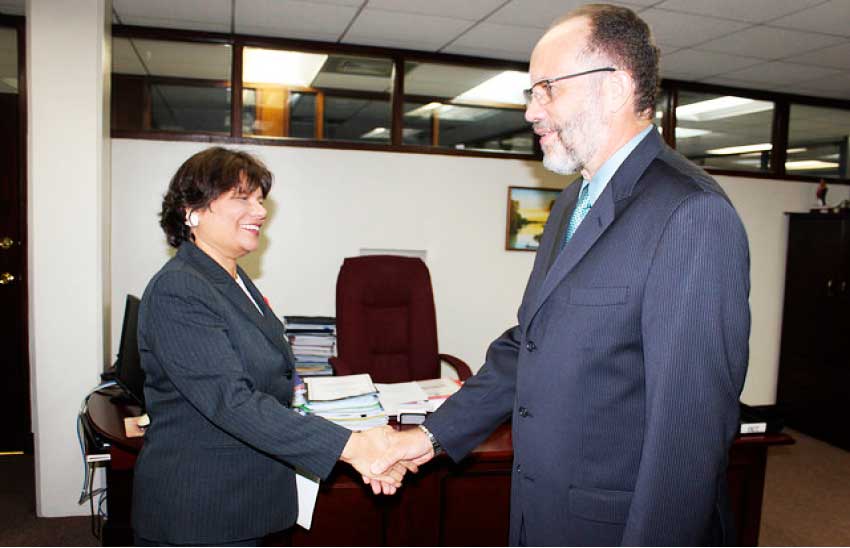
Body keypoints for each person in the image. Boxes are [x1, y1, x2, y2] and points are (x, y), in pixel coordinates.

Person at [374, 4, 751, 546]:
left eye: (547, 88)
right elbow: (530, 344)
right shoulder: (573, 201)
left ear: (616, 87)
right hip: (542, 515)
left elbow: (688, 436)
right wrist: (430, 438)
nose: (532, 110)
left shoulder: (690, 214)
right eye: (531, 92)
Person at [132, 147, 408, 546]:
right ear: (192, 210)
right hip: (202, 513)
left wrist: (359, 439)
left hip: (248, 498)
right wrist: (355, 448)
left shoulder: (232, 280)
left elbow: (271, 380)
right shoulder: (180, 288)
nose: (259, 211)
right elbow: (232, 401)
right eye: (241, 198)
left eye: (260, 200)